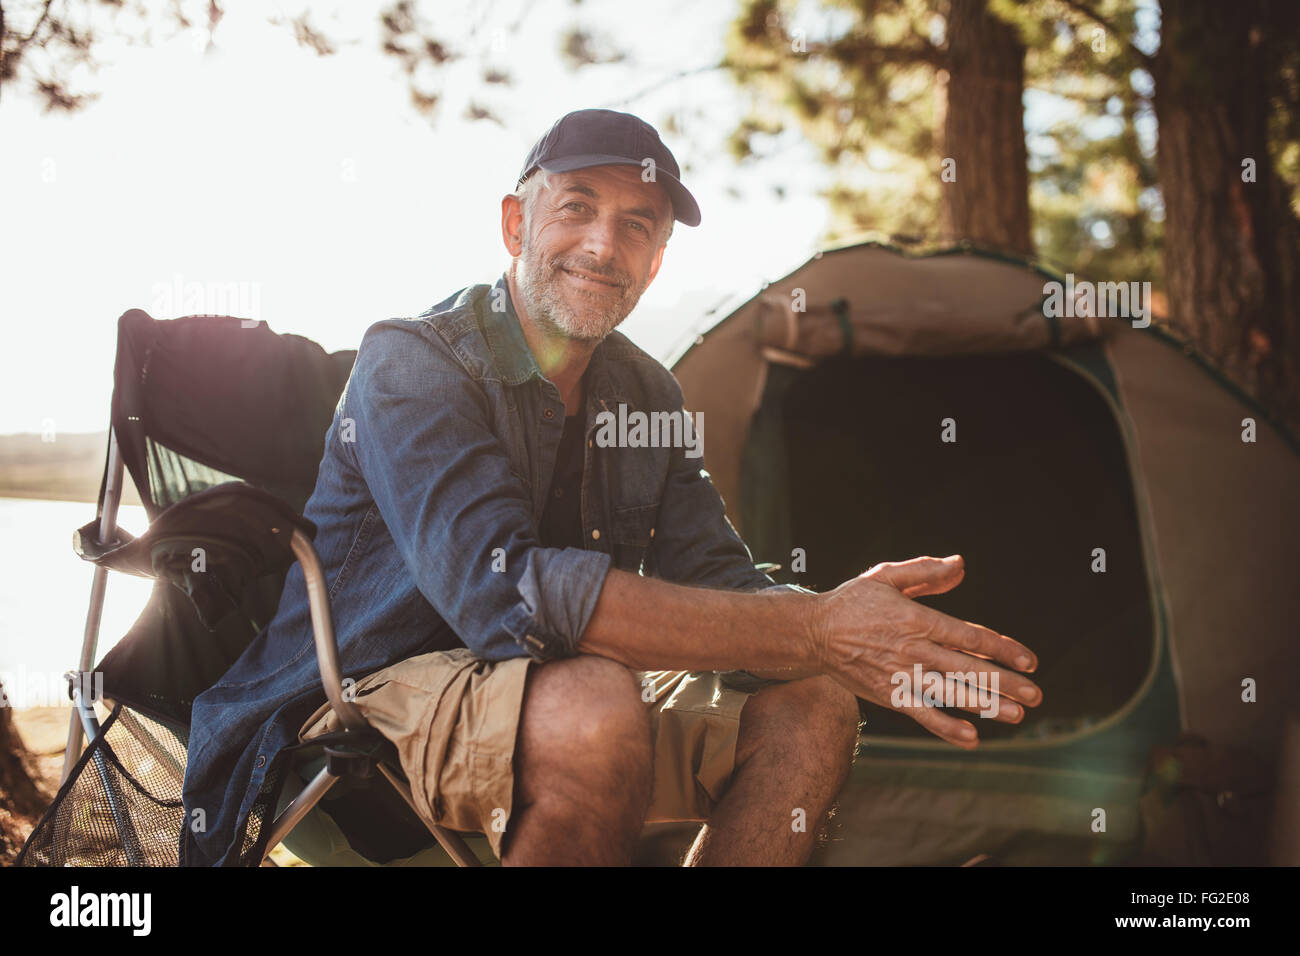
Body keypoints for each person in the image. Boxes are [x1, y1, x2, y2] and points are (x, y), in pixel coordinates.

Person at [180, 108, 1042, 867]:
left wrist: (855, 637)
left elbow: (717, 576)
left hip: (558, 685)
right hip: (364, 688)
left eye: (637, 225)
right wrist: (819, 628)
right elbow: (505, 596)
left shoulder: (648, 393)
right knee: (597, 700)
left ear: (657, 262)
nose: (603, 244)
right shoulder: (411, 359)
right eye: (578, 208)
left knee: (813, 705)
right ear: (517, 223)